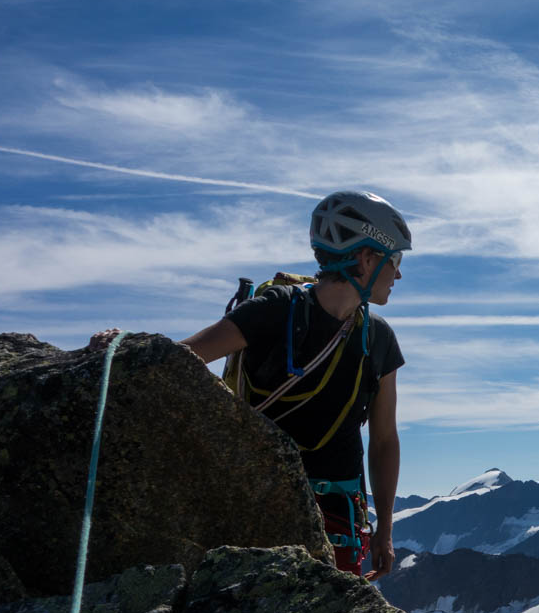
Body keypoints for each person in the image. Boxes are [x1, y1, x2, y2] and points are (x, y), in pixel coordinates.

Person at [99, 190, 409, 578]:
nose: (398, 273)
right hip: (289, 511)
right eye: (394, 259)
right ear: (366, 258)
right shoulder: (279, 309)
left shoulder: (377, 337)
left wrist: (385, 530)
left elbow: (384, 442)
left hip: (305, 510)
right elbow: (181, 358)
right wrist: (128, 348)